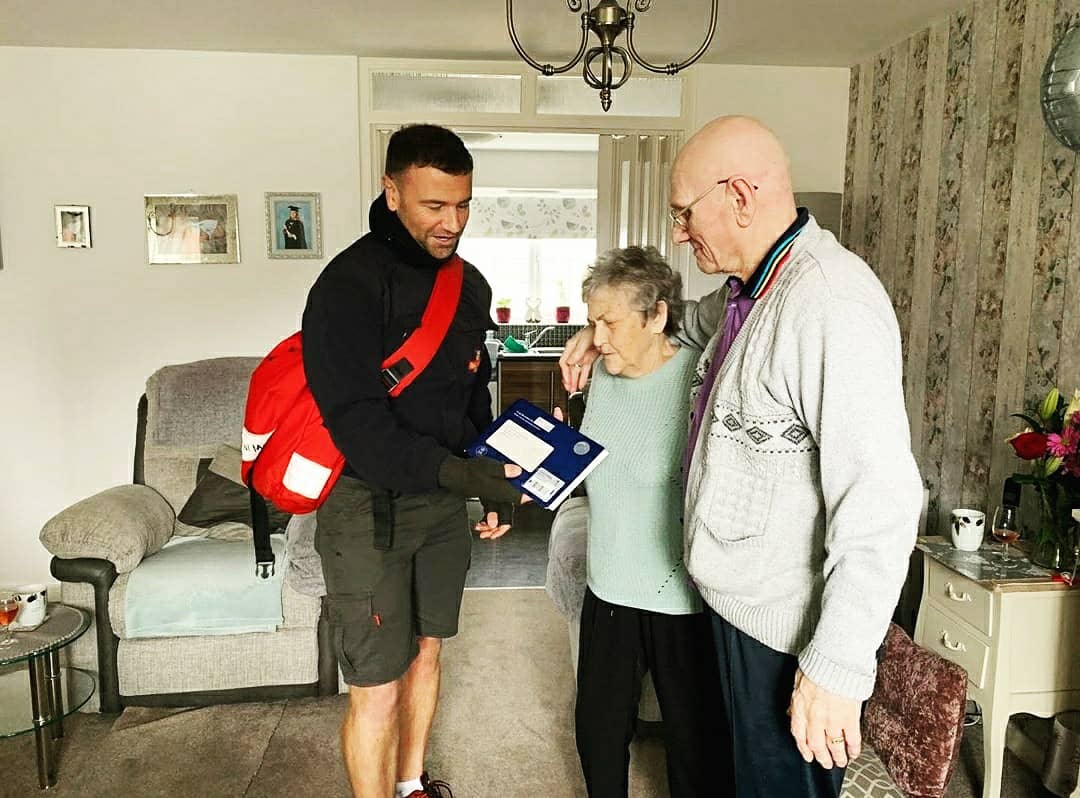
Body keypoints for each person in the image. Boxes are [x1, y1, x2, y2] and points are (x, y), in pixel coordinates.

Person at [560, 115, 923, 798]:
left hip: (785, 634)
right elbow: (674, 321)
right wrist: (596, 332)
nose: (677, 233)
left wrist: (838, 664)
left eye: (683, 212)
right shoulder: (746, 296)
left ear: (740, 197)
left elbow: (881, 497)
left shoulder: (829, 301)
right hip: (733, 611)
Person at [302, 123, 524, 798]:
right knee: (376, 685)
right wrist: (463, 474)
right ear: (392, 192)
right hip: (365, 509)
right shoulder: (346, 286)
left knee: (428, 652)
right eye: (434, 205)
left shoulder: (470, 286)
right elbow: (358, 424)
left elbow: (472, 397)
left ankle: (410, 785)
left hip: (440, 509)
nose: (451, 222)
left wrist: (492, 478)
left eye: (463, 205)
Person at [570, 246, 733, 798]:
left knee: (694, 743)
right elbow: (596, 467)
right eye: (592, 322)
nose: (598, 337)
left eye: (610, 323)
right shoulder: (602, 374)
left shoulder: (699, 380)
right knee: (597, 733)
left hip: (679, 596)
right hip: (607, 584)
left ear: (658, 315)